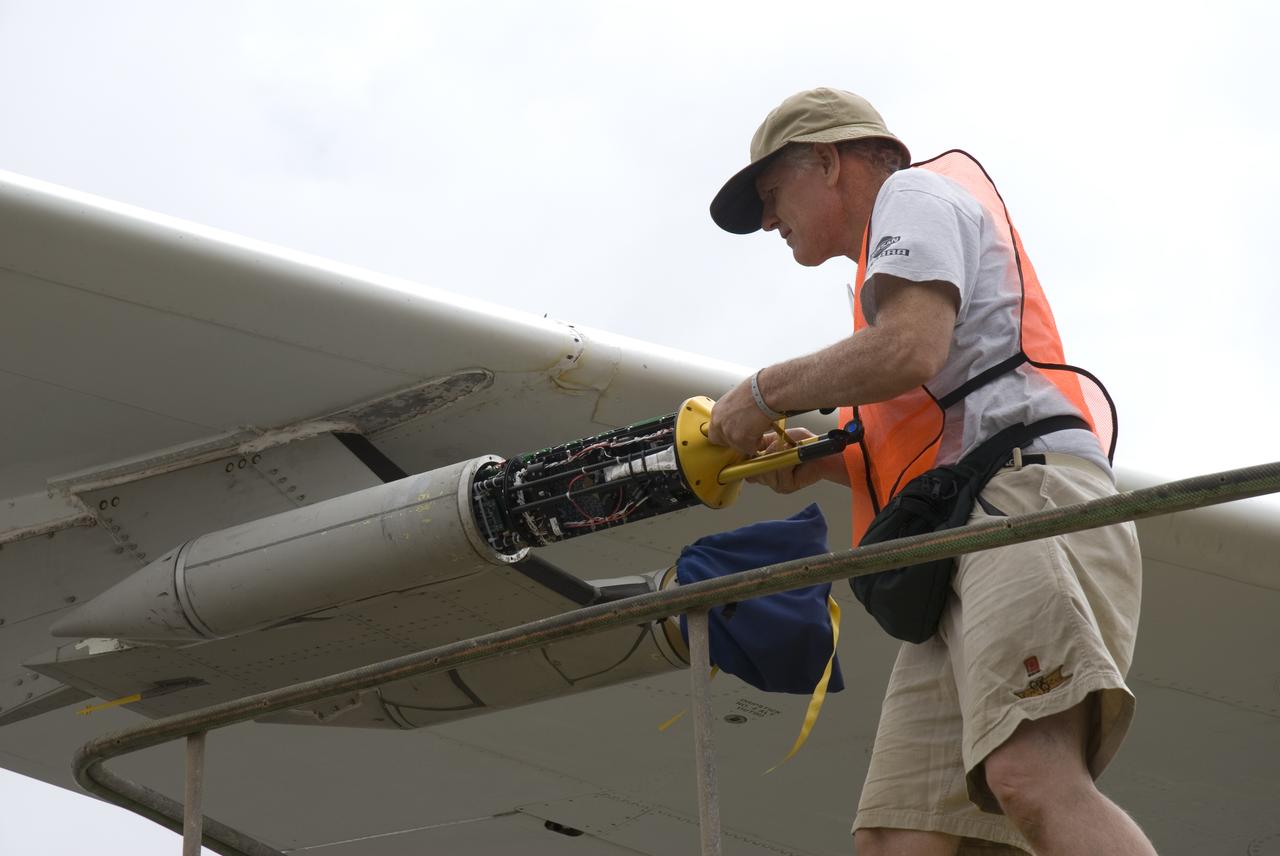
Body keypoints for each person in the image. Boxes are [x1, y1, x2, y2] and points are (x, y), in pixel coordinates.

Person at [705, 87, 1155, 856]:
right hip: (966, 530)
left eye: (772, 195)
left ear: (828, 160)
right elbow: (930, 428)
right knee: (899, 837)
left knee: (1032, 773)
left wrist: (761, 394)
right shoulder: (888, 266)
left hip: (1020, 499)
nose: (770, 222)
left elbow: (911, 349)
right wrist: (815, 461)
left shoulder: (911, 195)